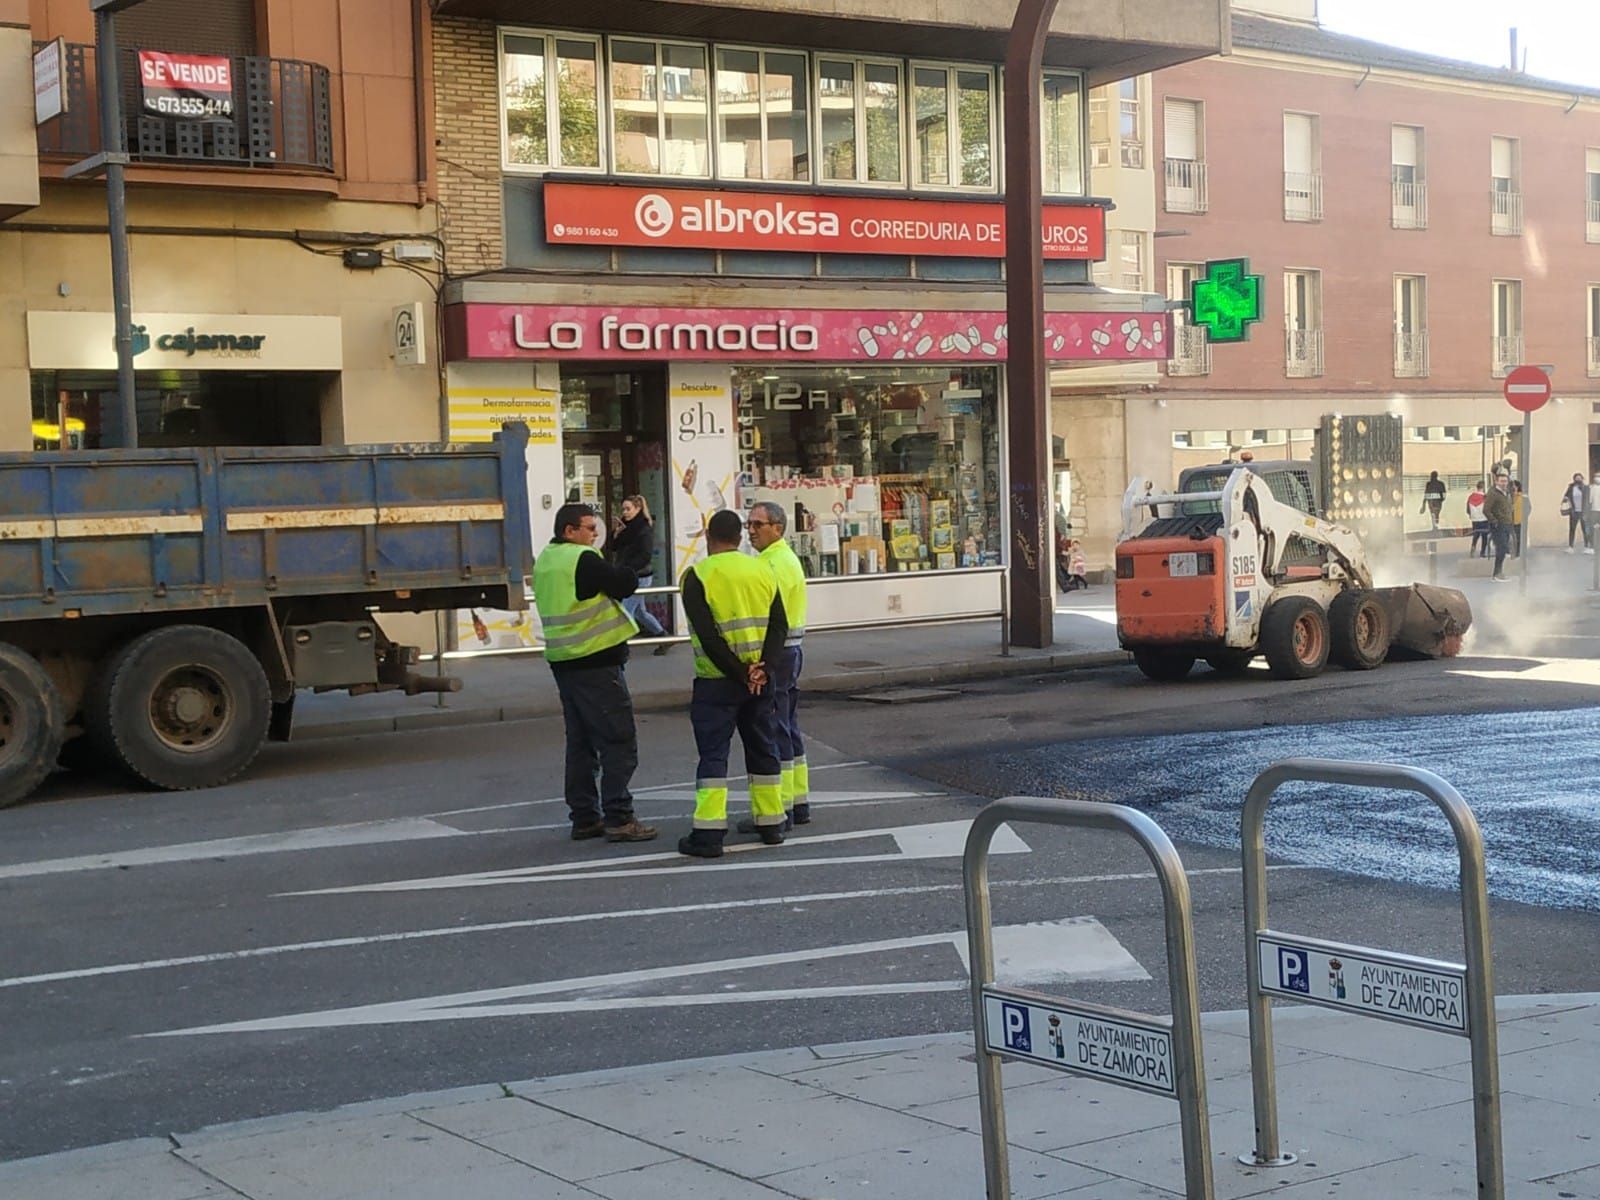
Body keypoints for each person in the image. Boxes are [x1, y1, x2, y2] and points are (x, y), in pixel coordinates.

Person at [532, 503, 658, 843]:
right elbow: (623, 584)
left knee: (581, 744)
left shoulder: (546, 559)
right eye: (589, 528)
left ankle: (585, 817)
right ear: (569, 531)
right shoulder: (581, 558)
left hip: (564, 661)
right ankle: (619, 817)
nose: (595, 534)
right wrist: (630, 563)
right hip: (595, 662)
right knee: (618, 740)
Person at [678, 509, 789, 859]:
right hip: (760, 680)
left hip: (717, 682)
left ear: (709, 537)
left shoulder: (697, 575)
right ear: (740, 538)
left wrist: (740, 672)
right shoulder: (763, 570)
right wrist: (764, 668)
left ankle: (709, 834)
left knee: (713, 755)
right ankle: (771, 824)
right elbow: (778, 626)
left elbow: (709, 637)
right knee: (763, 747)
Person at [745, 501, 811, 829]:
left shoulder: (772, 564)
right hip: (789, 652)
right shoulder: (782, 558)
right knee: (788, 723)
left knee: (775, 726)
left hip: (779, 654)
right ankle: (798, 801)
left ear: (778, 528)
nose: (751, 531)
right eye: (749, 525)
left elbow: (772, 618)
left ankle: (781, 805)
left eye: (758, 524)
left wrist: (761, 661)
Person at [609, 494, 673, 651]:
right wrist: (615, 534)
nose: (625, 512)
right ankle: (662, 636)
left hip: (639, 576)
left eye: (628, 509)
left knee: (625, 611)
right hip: (629, 573)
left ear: (638, 509)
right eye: (623, 509)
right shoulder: (625, 527)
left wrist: (628, 569)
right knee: (639, 612)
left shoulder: (644, 529)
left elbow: (645, 555)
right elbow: (614, 547)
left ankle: (621, 646)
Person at [1484, 472, 1514, 581]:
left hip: (1506, 524)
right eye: (1501, 481)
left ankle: (1499, 572)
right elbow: (1486, 510)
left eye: (1505, 481)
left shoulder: (1506, 493)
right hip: (1498, 525)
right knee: (1501, 548)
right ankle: (1497, 573)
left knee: (1505, 548)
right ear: (1496, 481)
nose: (1504, 483)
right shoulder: (1493, 493)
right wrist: (1494, 521)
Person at [1561, 473, 1592, 553]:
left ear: (1582, 479)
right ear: (1574, 479)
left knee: (1585, 529)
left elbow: (1589, 499)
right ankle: (1571, 547)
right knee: (1572, 529)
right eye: (1576, 478)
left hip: (1583, 512)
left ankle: (1587, 547)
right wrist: (1565, 500)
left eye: (1579, 478)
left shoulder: (1586, 488)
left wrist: (1588, 511)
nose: (1578, 479)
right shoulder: (1571, 487)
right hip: (1574, 512)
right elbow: (1566, 496)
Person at [1466, 481, 1489, 558]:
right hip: (1484, 519)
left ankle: (1473, 546)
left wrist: (1471, 515)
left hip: (1474, 519)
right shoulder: (1485, 497)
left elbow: (1467, 510)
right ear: (1483, 488)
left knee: (1476, 534)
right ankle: (1482, 552)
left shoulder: (1470, 497)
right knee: (1484, 536)